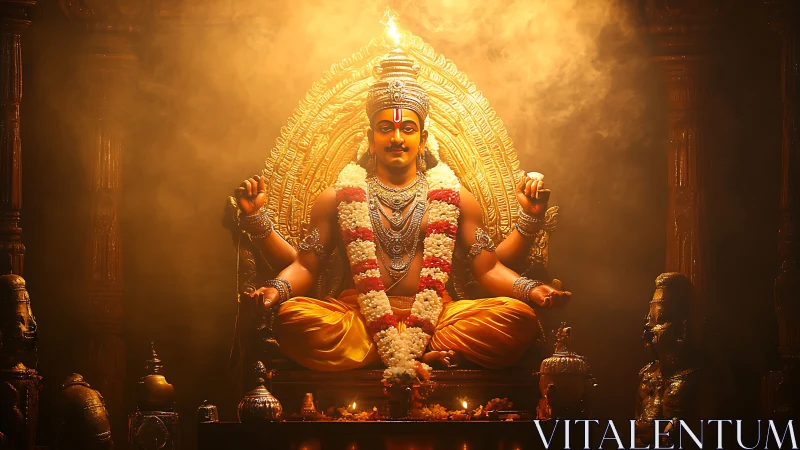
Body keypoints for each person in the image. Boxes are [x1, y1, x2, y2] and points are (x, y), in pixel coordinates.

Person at [235, 49, 571, 382]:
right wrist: (275, 291)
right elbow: (307, 265)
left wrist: (533, 291)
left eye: (408, 129)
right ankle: (413, 355)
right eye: (385, 128)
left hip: (438, 317)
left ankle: (410, 351)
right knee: (293, 318)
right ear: (370, 139)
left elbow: (488, 267)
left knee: (517, 318)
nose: (397, 138)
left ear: (423, 139)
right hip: (359, 318)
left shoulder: (456, 199)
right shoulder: (336, 199)